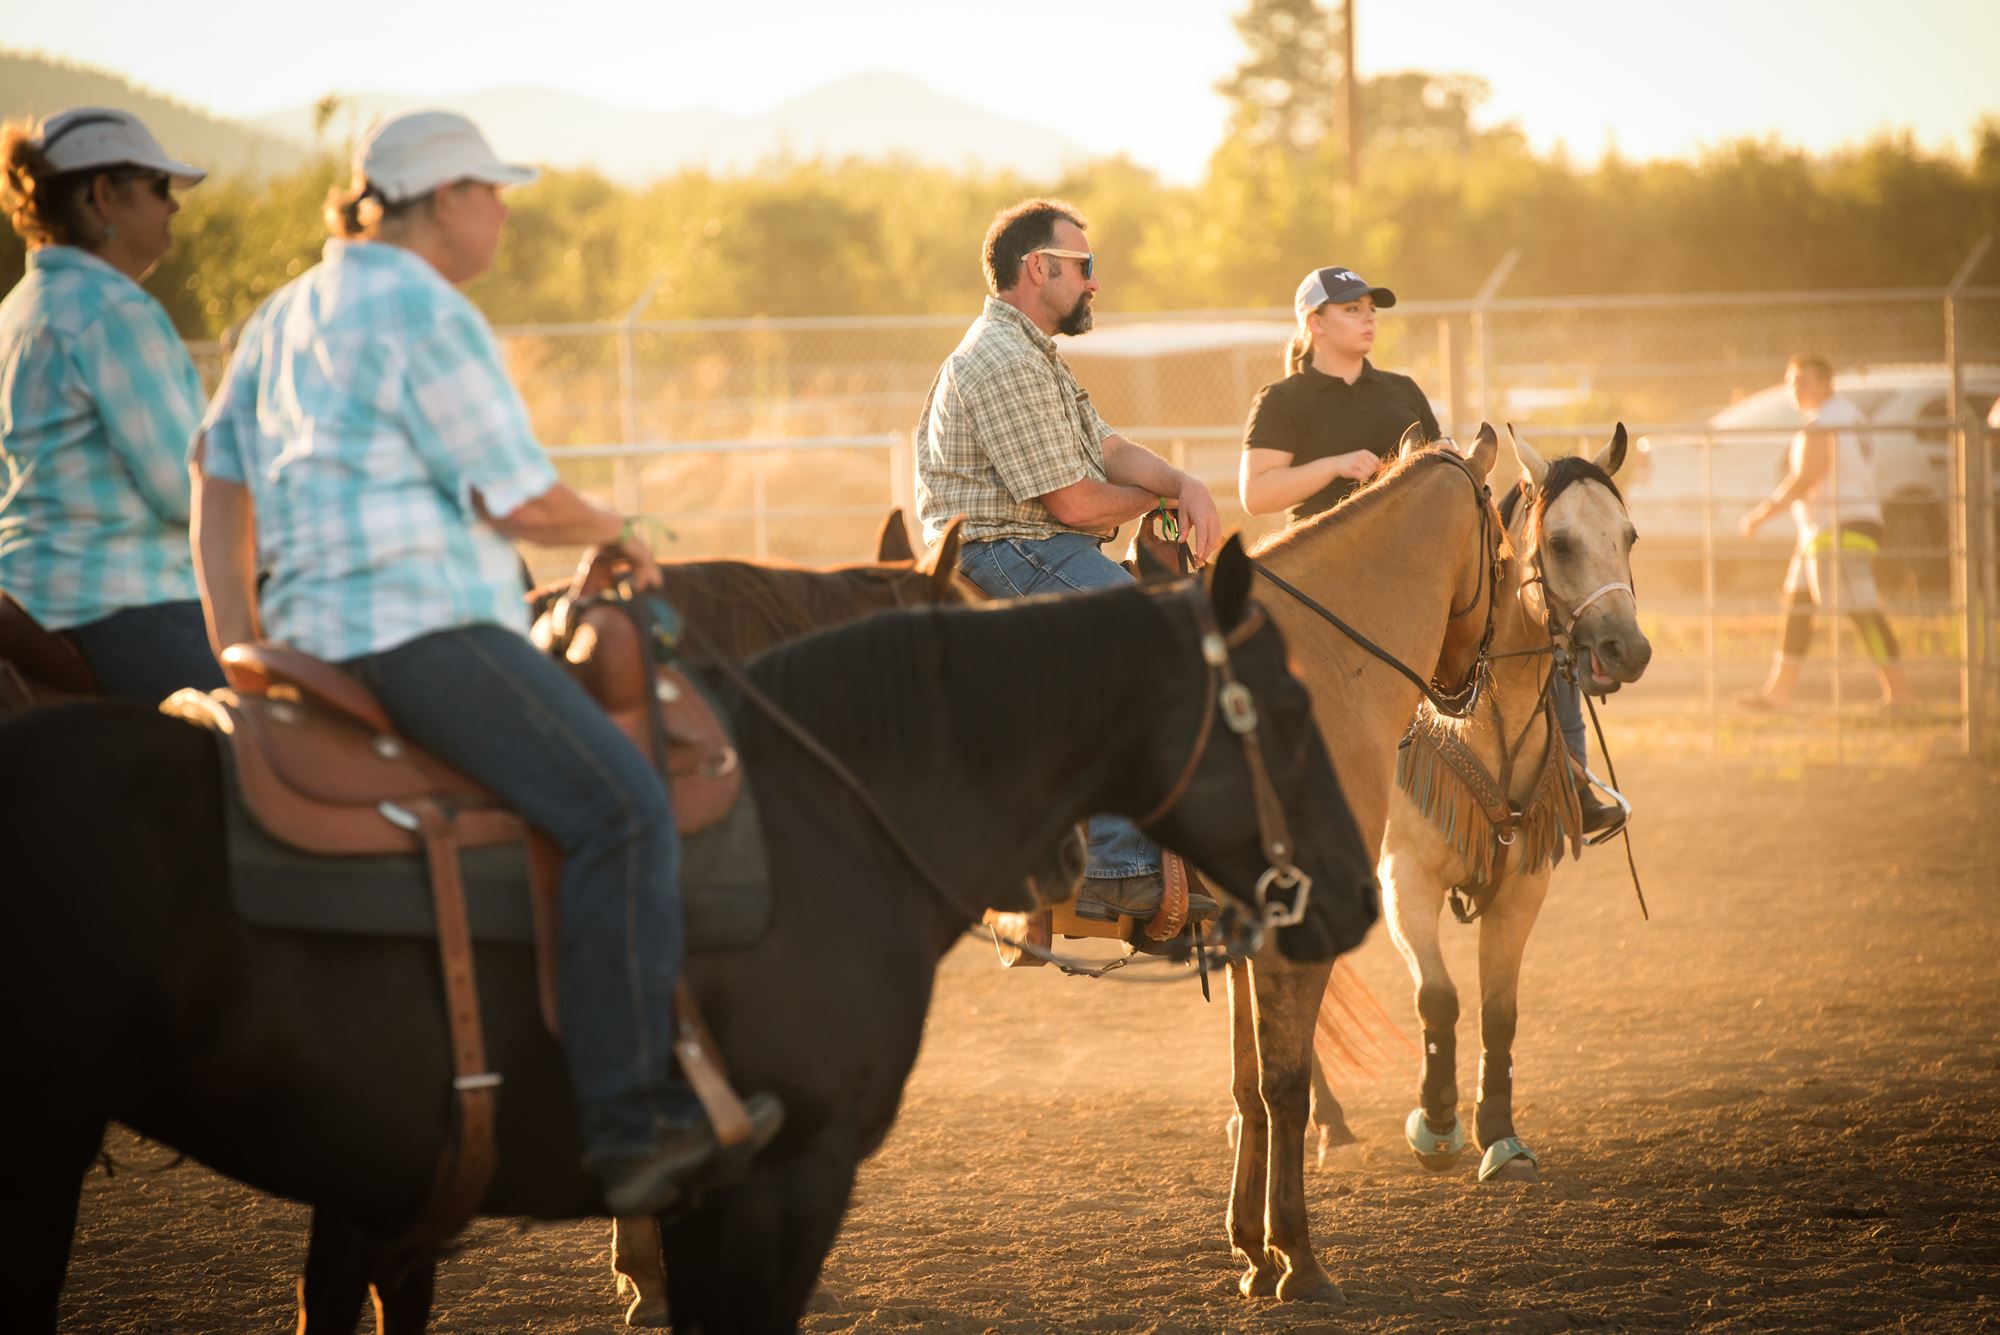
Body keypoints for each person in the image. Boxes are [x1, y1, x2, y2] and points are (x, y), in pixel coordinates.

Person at [189, 110, 779, 1216]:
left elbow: (217, 487)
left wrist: (239, 645)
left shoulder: (280, 313)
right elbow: (522, 498)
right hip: (423, 631)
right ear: (444, 198)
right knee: (620, 810)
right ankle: (629, 1119)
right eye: (492, 192)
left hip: (309, 643)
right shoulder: (427, 309)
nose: (503, 211)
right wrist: (622, 527)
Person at [914, 197, 1223, 924]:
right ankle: (1115, 868)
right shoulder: (1000, 360)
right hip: (1004, 551)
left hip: (1034, 544)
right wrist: (1158, 506)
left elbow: (1110, 449)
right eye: (1083, 266)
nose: (1093, 282)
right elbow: (1077, 505)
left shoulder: (1034, 354)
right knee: (1145, 641)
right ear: (1038, 268)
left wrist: (1181, 483)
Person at [1238, 266, 1624, 835]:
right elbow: (1256, 492)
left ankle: (1570, 774)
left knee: (1534, 617)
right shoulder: (1284, 399)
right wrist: (1335, 465)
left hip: (1416, 575)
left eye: (1371, 308)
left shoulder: (1400, 390)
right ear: (1314, 323)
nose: (1367, 317)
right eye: (1351, 309)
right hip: (1322, 579)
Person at [0, 106, 224, 701]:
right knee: (280, 731)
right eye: (157, 189)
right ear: (101, 196)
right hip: (121, 602)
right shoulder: (114, 311)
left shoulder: (18, 310)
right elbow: (189, 489)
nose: (173, 205)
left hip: (31, 592)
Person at [1737, 355, 1909, 710]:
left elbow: (1805, 478)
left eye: (1803, 381)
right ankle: (1777, 693)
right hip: (1819, 528)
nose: (1795, 389)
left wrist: (1760, 514)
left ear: (1826, 384)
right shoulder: (1848, 415)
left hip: (1840, 524)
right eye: (1791, 381)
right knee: (1797, 605)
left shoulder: (1825, 421)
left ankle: (1901, 695)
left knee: (1862, 610)